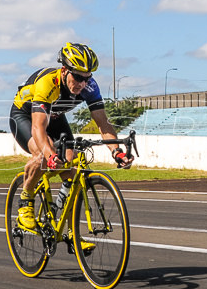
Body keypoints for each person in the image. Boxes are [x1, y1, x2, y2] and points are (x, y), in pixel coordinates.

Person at [9, 42, 134, 230]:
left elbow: (103, 123)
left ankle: (71, 234)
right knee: (43, 154)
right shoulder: (48, 83)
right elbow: (38, 128)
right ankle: (26, 200)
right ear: (65, 70)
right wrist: (51, 156)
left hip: (56, 117)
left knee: (73, 167)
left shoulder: (89, 87)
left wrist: (117, 152)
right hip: (25, 116)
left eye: (87, 78)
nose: (82, 84)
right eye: (77, 77)